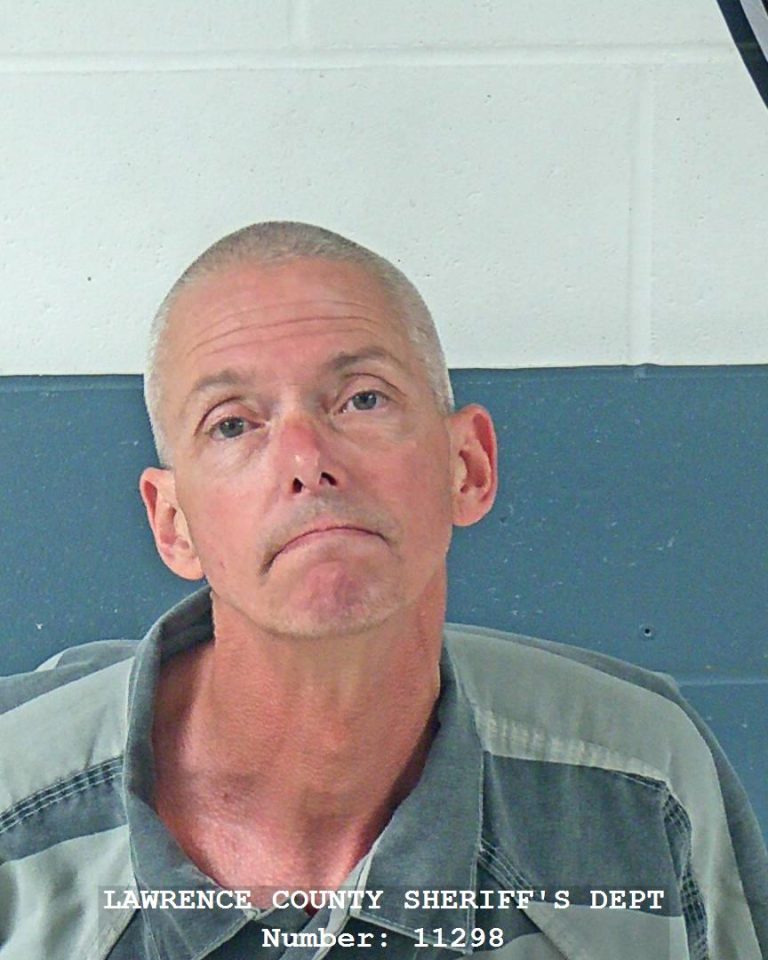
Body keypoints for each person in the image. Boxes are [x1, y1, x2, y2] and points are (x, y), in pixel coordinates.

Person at [0, 222, 765, 960]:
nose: (306, 459)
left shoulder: (644, 787)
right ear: (174, 525)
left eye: (362, 399)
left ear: (468, 467)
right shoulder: (16, 810)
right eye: (233, 425)